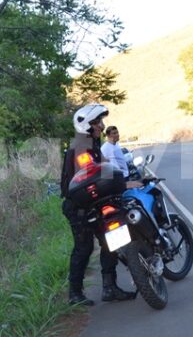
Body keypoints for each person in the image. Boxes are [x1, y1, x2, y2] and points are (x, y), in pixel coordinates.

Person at [59, 104, 137, 306]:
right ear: (87, 125)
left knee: (111, 241)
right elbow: (90, 178)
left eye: (101, 122)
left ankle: (110, 288)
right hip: (79, 207)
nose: (102, 126)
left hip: (94, 202)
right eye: (98, 123)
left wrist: (125, 183)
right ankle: (74, 294)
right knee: (83, 248)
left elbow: (107, 170)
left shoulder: (92, 144)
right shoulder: (81, 148)